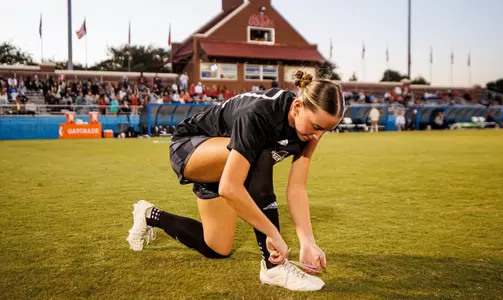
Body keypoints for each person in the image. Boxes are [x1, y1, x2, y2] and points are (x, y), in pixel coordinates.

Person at [126, 71, 344, 291]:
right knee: (260, 153)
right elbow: (230, 187)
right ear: (297, 107)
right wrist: (273, 233)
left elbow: (296, 188)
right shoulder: (261, 114)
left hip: (228, 164)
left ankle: (149, 215)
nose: (319, 135)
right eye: (317, 127)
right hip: (191, 147)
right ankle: (273, 268)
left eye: (326, 130)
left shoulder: (310, 130)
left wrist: (307, 241)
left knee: (216, 248)